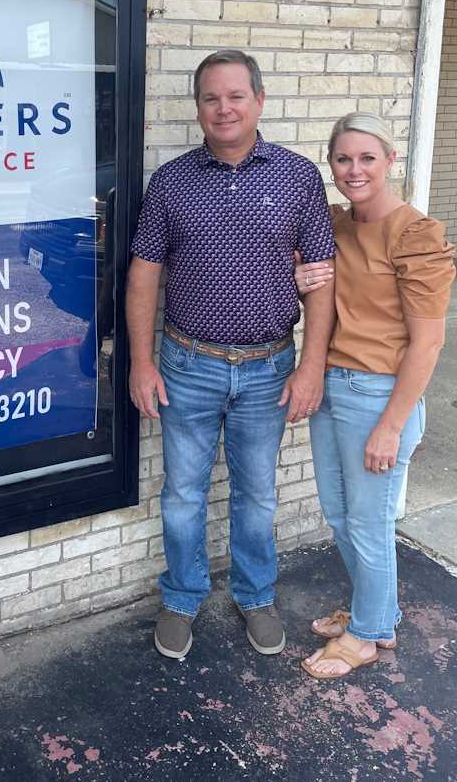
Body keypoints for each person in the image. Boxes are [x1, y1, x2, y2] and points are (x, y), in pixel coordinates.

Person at [127, 49, 336, 661]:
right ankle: (182, 597)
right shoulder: (172, 182)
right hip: (187, 365)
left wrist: (312, 365)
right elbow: (144, 277)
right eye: (210, 98)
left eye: (235, 95)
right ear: (198, 108)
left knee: (258, 495)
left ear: (259, 101)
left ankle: (256, 595)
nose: (223, 108)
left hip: (270, 369)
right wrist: (142, 362)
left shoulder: (298, 178)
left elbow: (322, 280)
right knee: (183, 494)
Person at [293, 112, 454, 679]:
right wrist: (298, 277)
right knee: (341, 514)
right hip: (335, 385)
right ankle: (376, 615)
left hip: (380, 396)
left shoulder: (416, 235)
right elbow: (314, 283)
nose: (353, 169)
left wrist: (392, 423)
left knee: (369, 523)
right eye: (343, 159)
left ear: (391, 161)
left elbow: (428, 341)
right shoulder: (337, 223)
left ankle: (364, 636)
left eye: (366, 158)